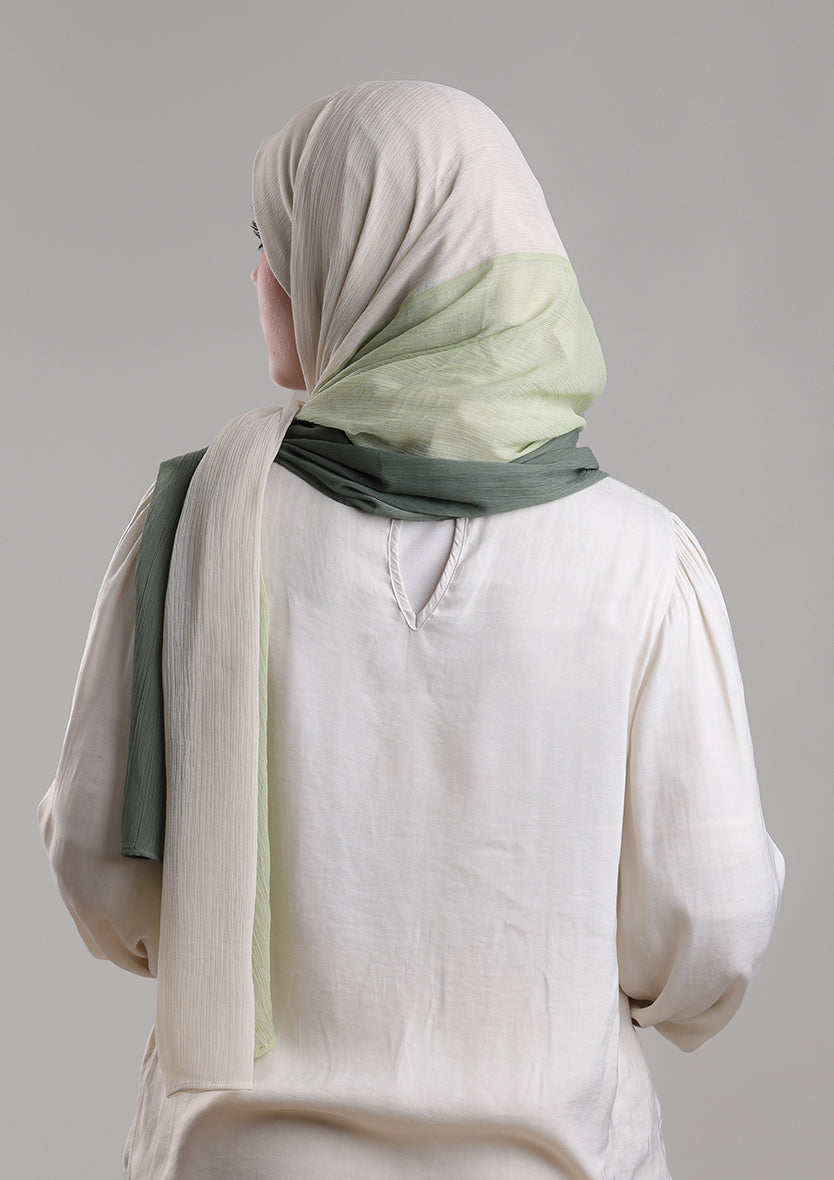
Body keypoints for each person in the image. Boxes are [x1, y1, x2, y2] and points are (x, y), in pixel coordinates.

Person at [36, 79, 786, 1180]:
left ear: (362, 266)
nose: (261, 275)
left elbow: (102, 877)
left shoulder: (197, 519)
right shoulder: (641, 558)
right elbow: (707, 928)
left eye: (274, 240)